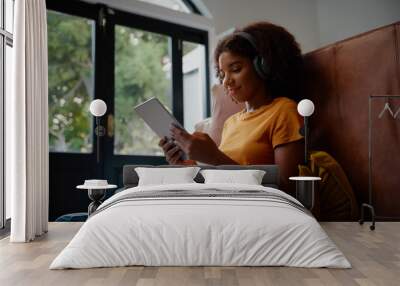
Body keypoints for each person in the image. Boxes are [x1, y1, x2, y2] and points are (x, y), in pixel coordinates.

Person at [159, 21, 304, 195]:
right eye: (222, 74)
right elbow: (224, 177)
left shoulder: (284, 111)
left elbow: (287, 188)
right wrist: (183, 166)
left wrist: (215, 157)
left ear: (263, 66)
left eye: (235, 69)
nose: (226, 81)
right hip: (226, 202)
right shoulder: (231, 122)